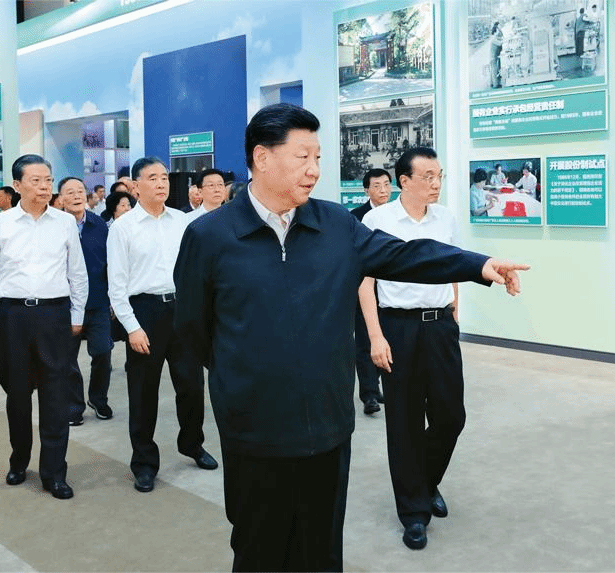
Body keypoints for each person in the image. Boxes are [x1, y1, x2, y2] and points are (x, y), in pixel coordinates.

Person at [173, 103, 528, 571]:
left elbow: (405, 255)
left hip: (328, 425)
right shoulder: (211, 237)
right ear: (262, 158)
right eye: (302, 157)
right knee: (260, 549)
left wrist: (478, 265)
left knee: (322, 552)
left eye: (318, 157)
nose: (314, 170)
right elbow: (194, 331)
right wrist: (244, 378)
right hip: (255, 430)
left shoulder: (335, 226)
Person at [359, 147, 492, 551]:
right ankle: (414, 513)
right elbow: (364, 282)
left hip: (440, 327)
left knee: (451, 415)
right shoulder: (377, 220)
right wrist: (375, 336)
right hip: (397, 327)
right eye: (428, 177)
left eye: (439, 176)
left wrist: (455, 309)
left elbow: (452, 265)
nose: (436, 184)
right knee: (404, 422)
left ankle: (425, 481)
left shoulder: (446, 217)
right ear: (404, 181)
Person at [0, 154, 88, 500]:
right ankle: (19, 460)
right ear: (18, 185)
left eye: (48, 180)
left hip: (54, 316)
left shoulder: (64, 223)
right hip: (14, 317)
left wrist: (76, 316)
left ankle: (54, 473)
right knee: (17, 395)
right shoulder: (0, 224)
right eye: (36, 181)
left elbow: (78, 274)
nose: (44, 187)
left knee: (56, 395)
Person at [107, 156, 218, 494]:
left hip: (181, 311)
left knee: (192, 386)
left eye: (164, 177)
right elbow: (117, 285)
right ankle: (144, 463)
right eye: (152, 178)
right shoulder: (123, 228)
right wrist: (132, 327)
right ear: (135, 186)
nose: (161, 183)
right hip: (145, 312)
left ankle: (192, 443)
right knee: (143, 393)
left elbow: (196, 272)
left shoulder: (182, 222)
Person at [58, 177, 114, 425]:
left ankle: (98, 398)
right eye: (70, 192)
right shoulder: (54, 226)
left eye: (80, 191)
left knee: (103, 352)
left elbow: (110, 263)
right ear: (61, 199)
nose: (76, 196)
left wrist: (113, 298)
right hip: (65, 305)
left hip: (98, 301)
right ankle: (74, 406)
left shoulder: (99, 224)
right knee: (67, 358)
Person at [350, 168, 393, 415]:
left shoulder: (397, 214)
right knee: (366, 341)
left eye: (387, 184)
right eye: (377, 186)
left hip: (391, 289)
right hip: (364, 287)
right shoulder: (356, 217)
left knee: (386, 337)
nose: (383, 190)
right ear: (366, 190)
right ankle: (369, 395)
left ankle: (376, 385)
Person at [489, 21, 503, 89]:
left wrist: (499, 30)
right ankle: (495, 85)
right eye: (497, 31)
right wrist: (505, 40)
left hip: (494, 57)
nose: (498, 32)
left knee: (493, 70)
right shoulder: (493, 39)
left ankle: (492, 83)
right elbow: (499, 43)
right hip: (492, 58)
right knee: (494, 71)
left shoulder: (494, 38)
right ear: (495, 32)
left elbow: (500, 37)